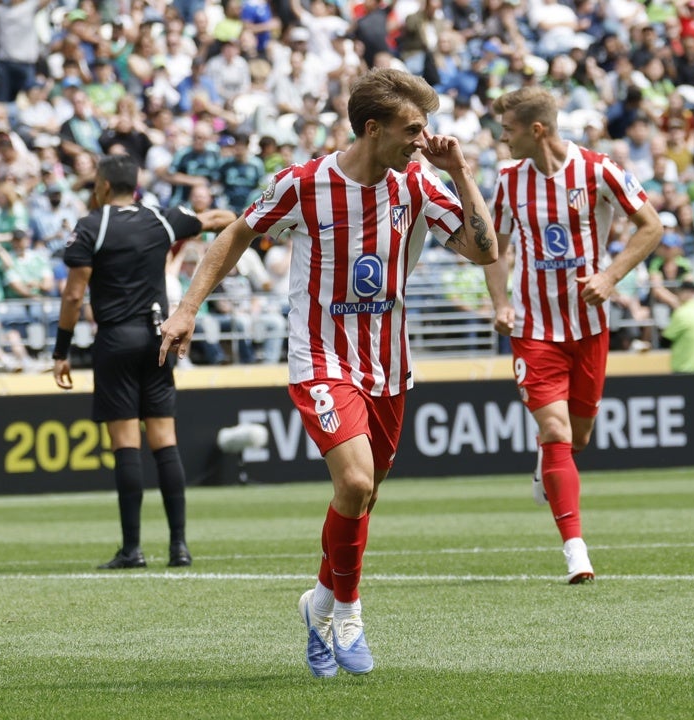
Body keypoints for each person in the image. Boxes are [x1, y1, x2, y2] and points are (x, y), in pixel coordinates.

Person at [157, 69, 498, 677]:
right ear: (374, 128)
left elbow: (485, 250)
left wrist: (462, 174)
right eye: (412, 129)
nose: (423, 140)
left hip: (388, 365)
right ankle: (347, 611)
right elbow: (236, 234)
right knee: (358, 482)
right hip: (320, 357)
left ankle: (316, 603)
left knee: (360, 497)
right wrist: (186, 308)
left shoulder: (418, 181)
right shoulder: (306, 182)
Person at [482, 85, 662, 584]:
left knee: (576, 435)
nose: (502, 138)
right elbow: (494, 247)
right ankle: (576, 550)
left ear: (536, 130)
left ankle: (548, 460)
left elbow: (651, 226)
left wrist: (610, 276)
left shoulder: (599, 169)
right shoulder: (508, 180)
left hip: (588, 328)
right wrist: (501, 303)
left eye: (509, 129)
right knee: (557, 431)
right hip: (534, 328)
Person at [52, 155, 235, 571]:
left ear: (100, 186)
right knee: (165, 442)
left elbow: (73, 296)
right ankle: (179, 547)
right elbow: (221, 219)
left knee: (126, 446)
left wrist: (61, 351)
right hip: (158, 337)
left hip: (115, 339)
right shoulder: (162, 218)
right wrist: (219, 219)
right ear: (135, 186)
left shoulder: (90, 225)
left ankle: (132, 549)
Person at [662, 279, 694, 373]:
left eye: (679, 293)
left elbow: (665, 341)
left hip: (683, 370)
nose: (677, 296)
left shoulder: (682, 313)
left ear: (687, 293)